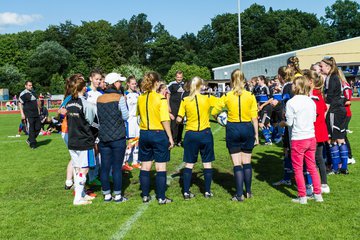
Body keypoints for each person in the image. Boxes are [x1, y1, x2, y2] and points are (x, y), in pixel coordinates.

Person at [212, 69, 259, 202]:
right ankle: (248, 192)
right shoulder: (250, 96)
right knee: (247, 162)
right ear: (244, 80)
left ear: (232, 80)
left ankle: (239, 194)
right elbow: (254, 117)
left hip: (233, 128)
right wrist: (256, 135)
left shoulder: (227, 96)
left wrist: (220, 121)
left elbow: (214, 111)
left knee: (237, 164)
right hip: (247, 127)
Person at [280, 76, 323, 204]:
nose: (291, 86)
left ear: (297, 86)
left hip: (298, 138)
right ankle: (318, 194)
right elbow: (314, 119)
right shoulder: (311, 101)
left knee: (298, 168)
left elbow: (289, 122)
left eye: (293, 84)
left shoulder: (291, 102)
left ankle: (302, 196)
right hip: (310, 137)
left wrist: (282, 123)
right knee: (312, 167)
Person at [176, 77, 218, 200]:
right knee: (207, 163)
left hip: (191, 134)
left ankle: (186, 192)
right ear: (200, 86)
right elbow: (221, 104)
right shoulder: (208, 98)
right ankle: (207, 191)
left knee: (189, 163)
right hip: (205, 133)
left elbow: (179, 119)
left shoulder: (185, 100)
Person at [137, 71, 174, 204]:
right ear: (157, 83)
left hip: (144, 133)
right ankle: (161, 197)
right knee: (161, 167)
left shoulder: (140, 98)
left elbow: (139, 114)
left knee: (145, 166)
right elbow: (165, 120)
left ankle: (145, 195)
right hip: (158, 133)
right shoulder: (160, 98)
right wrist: (170, 137)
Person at [97, 72, 129, 202]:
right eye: (119, 82)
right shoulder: (119, 97)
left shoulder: (99, 98)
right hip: (118, 136)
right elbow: (125, 116)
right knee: (116, 167)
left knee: (104, 167)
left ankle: (106, 194)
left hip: (104, 136)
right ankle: (117, 195)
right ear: (115, 83)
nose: (120, 84)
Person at [66, 75, 97, 205]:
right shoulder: (86, 104)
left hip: (72, 140)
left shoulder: (69, 103)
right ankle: (78, 198)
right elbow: (93, 123)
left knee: (78, 168)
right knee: (84, 169)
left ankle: (82, 193)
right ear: (84, 88)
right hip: (84, 140)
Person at [320, 57, 349, 175]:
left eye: (322, 66)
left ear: (328, 66)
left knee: (332, 139)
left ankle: (336, 168)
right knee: (340, 138)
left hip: (334, 111)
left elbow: (330, 98)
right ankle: (343, 167)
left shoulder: (331, 78)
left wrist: (324, 114)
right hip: (340, 110)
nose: (321, 68)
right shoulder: (335, 77)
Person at [304, 69, 330, 194]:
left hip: (315, 131)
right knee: (317, 158)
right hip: (317, 131)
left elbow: (318, 112)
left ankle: (317, 184)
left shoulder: (315, 95)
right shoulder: (316, 94)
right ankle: (321, 184)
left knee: (314, 159)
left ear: (310, 82)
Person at [123, 75, 141, 170]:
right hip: (130, 120)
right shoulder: (125, 94)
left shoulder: (138, 94)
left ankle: (135, 161)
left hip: (137, 120)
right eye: (132, 83)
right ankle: (124, 162)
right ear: (128, 84)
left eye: (135, 83)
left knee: (137, 141)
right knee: (131, 141)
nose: (134, 85)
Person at [338, 69, 356, 165]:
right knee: (341, 135)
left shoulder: (345, 86)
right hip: (341, 113)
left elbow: (349, 101)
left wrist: (338, 102)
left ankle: (349, 156)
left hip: (346, 113)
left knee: (343, 135)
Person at [19, 81, 41, 149]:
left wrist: (38, 109)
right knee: (31, 128)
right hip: (29, 114)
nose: (30, 86)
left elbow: (36, 102)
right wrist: (22, 113)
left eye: (31, 85)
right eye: (29, 85)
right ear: (25, 86)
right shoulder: (23, 93)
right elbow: (20, 103)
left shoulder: (33, 92)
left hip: (36, 113)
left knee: (38, 128)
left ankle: (29, 140)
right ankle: (32, 144)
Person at [168, 70, 185, 146]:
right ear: (175, 77)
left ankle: (179, 140)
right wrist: (168, 106)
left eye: (180, 77)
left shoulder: (184, 85)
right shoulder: (172, 84)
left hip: (182, 106)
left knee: (181, 123)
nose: (179, 79)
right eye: (178, 77)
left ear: (182, 77)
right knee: (174, 124)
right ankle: (173, 140)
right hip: (173, 106)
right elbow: (167, 94)